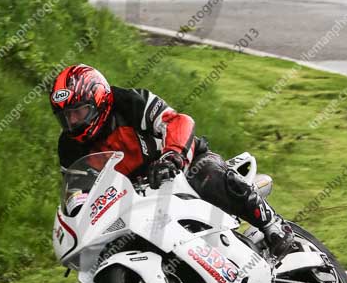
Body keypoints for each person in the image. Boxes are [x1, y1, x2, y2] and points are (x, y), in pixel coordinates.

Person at [50, 64, 295, 258]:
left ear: (99, 99)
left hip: (180, 167)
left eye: (78, 113)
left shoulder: (130, 102)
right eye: (66, 117)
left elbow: (178, 121)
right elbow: (78, 187)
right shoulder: (68, 146)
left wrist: (172, 155)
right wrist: (78, 214)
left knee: (206, 173)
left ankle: (272, 225)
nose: (72, 123)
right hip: (137, 198)